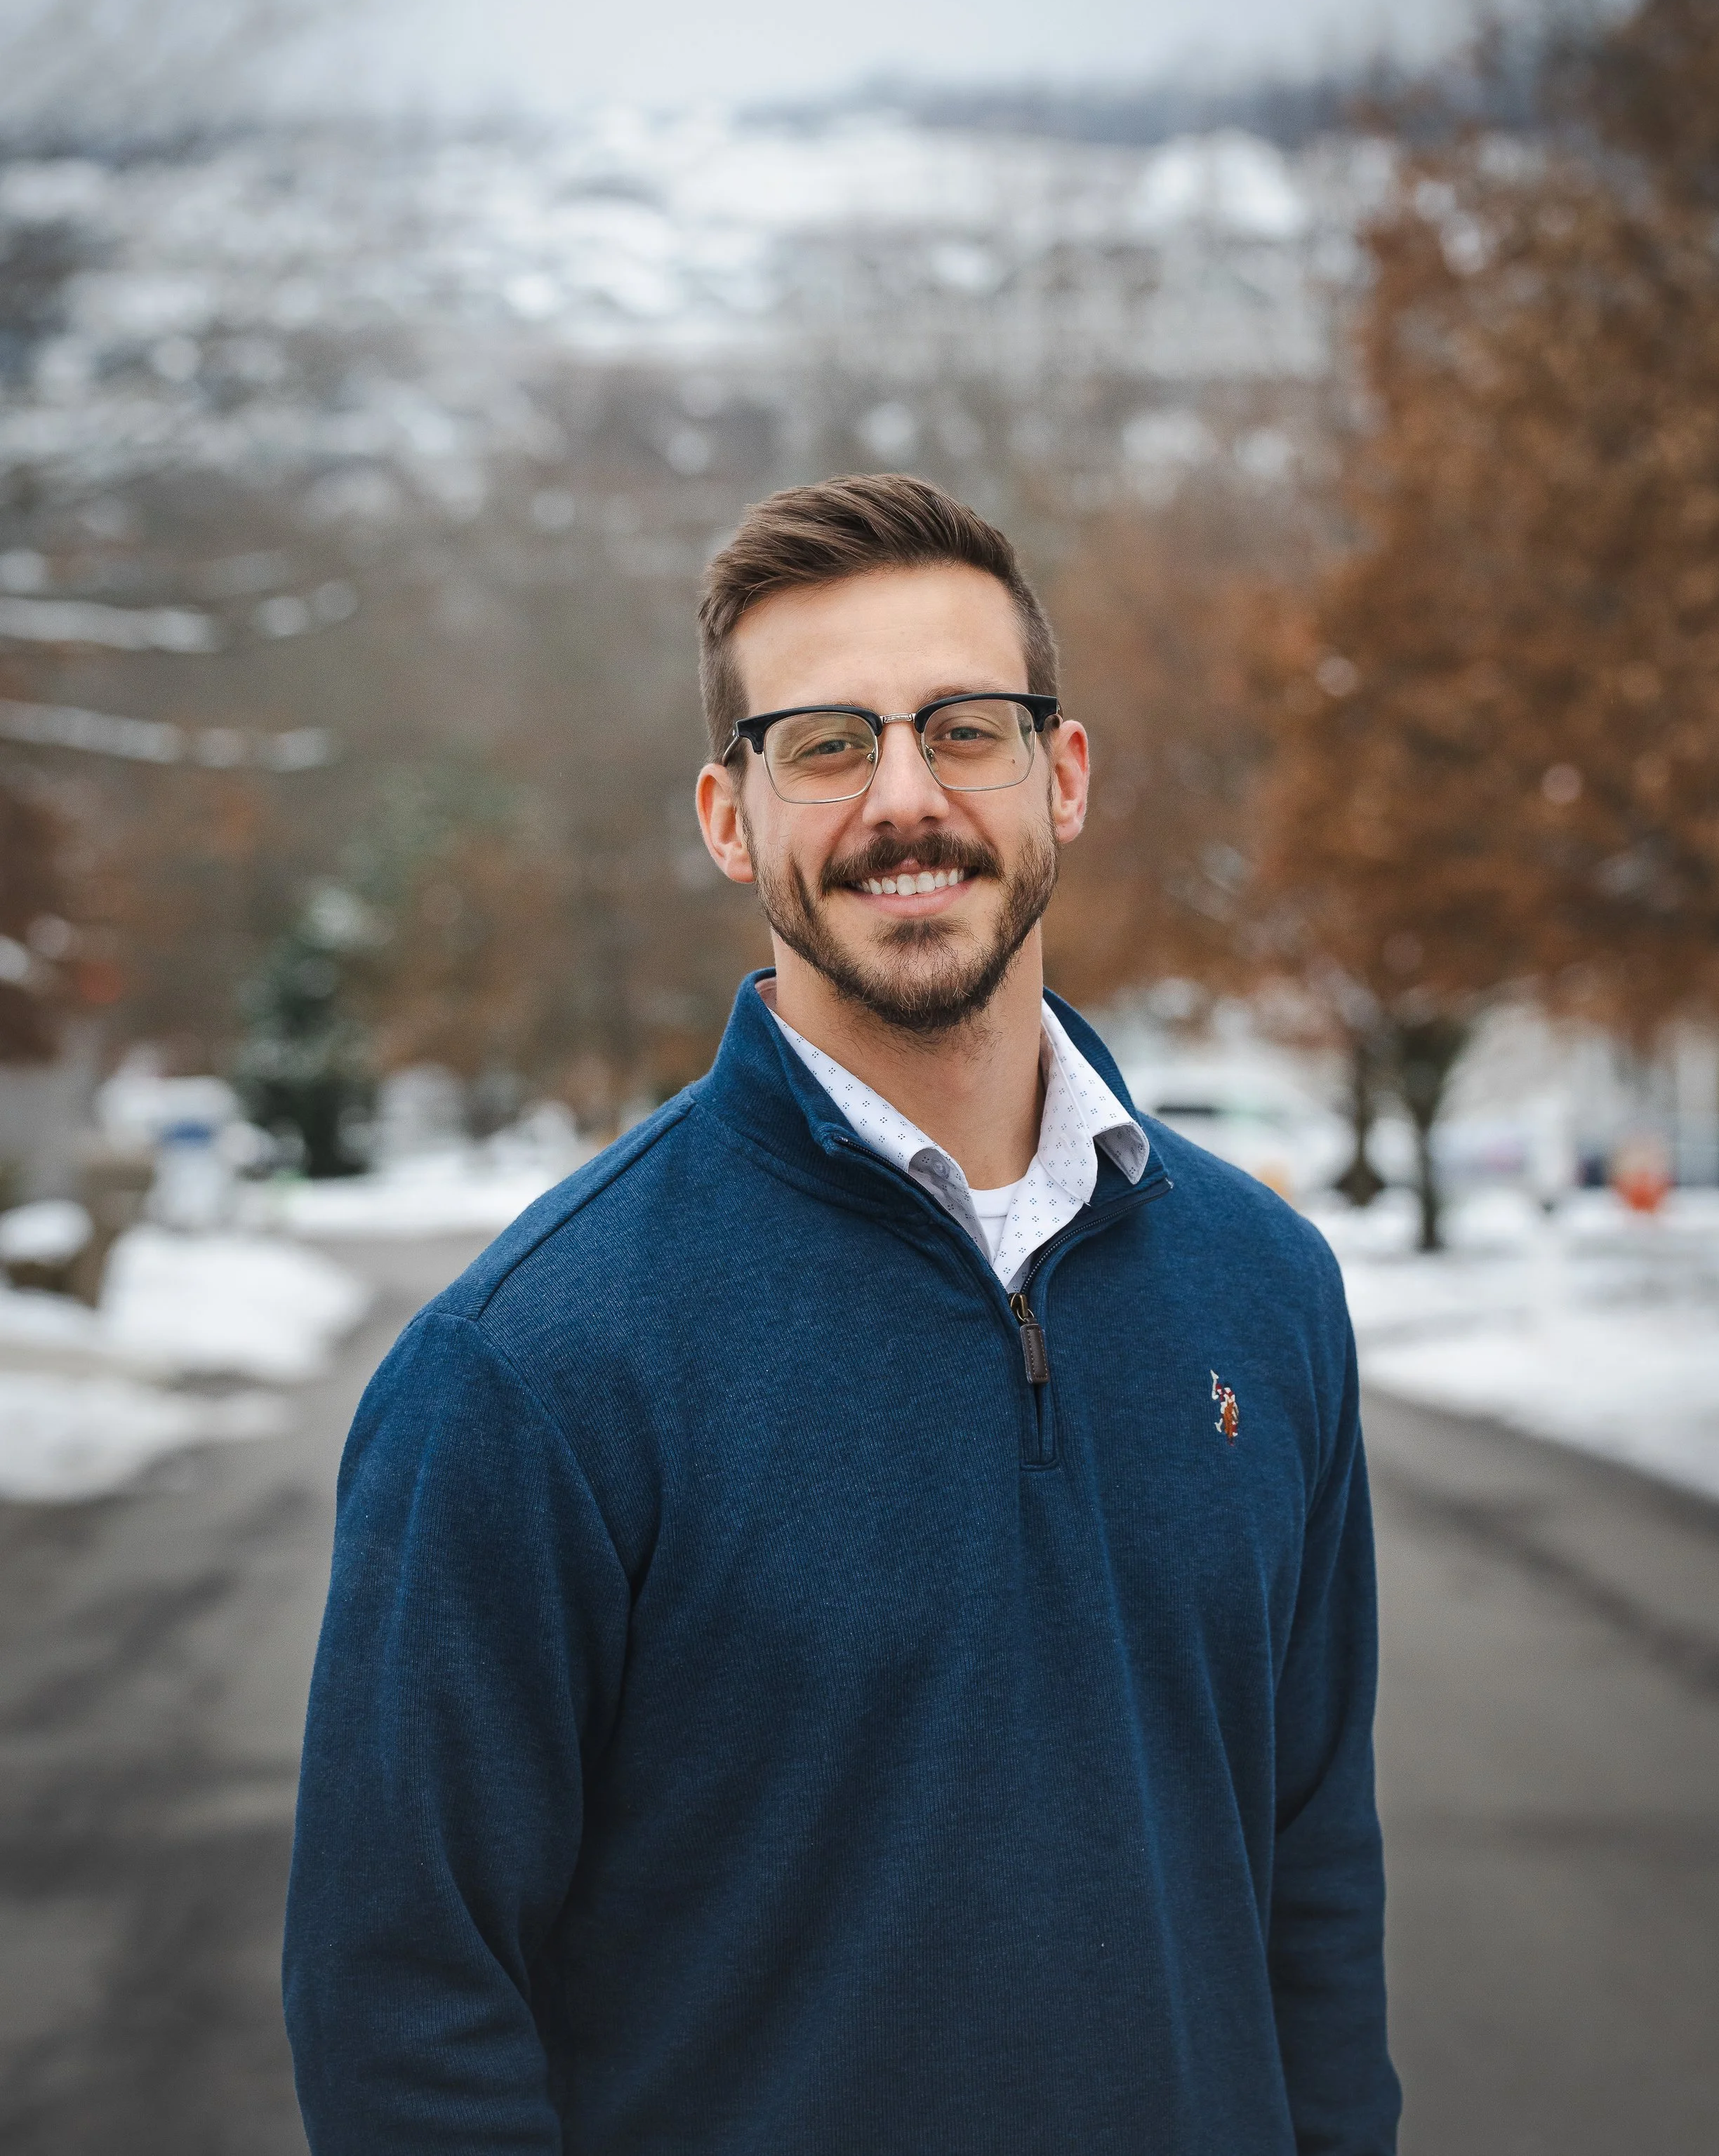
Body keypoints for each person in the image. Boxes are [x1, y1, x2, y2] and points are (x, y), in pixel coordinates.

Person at [284, 474, 1401, 2154]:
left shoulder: (1264, 1282)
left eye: (964, 728)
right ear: (729, 818)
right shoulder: (529, 1366)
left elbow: (1310, 1869)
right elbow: (404, 1999)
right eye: (823, 742)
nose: (904, 798)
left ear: (1060, 776)